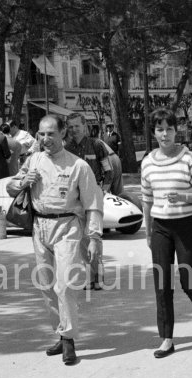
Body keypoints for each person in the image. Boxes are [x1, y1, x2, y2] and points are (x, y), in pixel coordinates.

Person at [6, 115, 103, 365]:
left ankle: (69, 339)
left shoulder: (78, 166)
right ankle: (60, 332)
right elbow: (11, 187)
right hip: (39, 227)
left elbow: (93, 203)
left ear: (63, 135)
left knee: (65, 283)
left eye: (51, 134)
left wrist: (93, 238)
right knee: (47, 285)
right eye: (41, 134)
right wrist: (21, 182)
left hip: (68, 227)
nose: (45, 139)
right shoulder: (34, 160)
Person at [141, 108, 192, 359]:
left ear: (176, 131)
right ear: (154, 132)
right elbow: (147, 199)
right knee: (162, 285)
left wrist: (183, 196)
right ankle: (166, 339)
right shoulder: (148, 161)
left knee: (188, 281)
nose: (165, 134)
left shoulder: (189, 159)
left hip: (186, 226)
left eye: (169, 129)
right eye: (160, 129)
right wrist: (148, 233)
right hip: (160, 227)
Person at [65, 113, 112, 290]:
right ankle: (89, 276)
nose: (74, 130)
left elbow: (109, 170)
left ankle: (97, 277)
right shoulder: (66, 148)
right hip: (75, 198)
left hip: (94, 195)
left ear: (84, 126)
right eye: (70, 127)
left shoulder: (97, 145)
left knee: (94, 236)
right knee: (81, 239)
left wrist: (103, 191)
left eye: (77, 126)